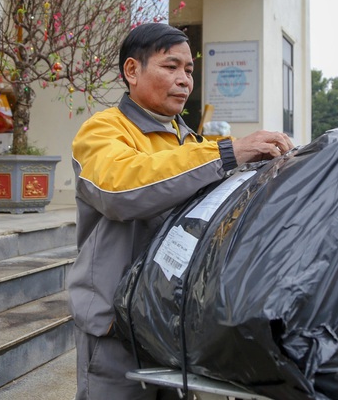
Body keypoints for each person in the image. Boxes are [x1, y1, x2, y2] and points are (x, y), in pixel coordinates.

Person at [67, 22, 293, 399]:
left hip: (172, 324)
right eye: (170, 67)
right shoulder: (103, 130)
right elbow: (120, 188)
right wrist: (225, 153)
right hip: (115, 327)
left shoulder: (191, 140)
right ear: (132, 71)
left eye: (188, 70)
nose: (184, 80)